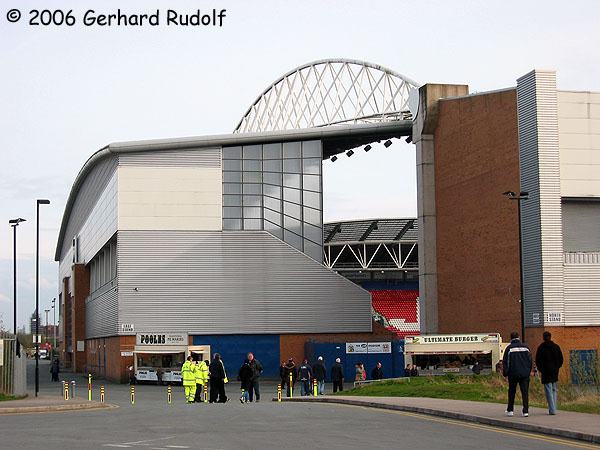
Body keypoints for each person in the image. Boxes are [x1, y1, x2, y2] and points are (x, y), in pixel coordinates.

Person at [502, 331, 533, 417]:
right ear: (519, 337)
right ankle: (525, 411)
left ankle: (510, 410)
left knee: (512, 391)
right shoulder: (526, 347)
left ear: (511, 338)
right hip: (524, 374)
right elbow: (530, 360)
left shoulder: (509, 348)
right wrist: (529, 371)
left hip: (513, 373)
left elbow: (505, 362)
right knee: (525, 392)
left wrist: (505, 374)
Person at [535, 331, 564, 415]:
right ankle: (554, 407)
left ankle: (552, 410)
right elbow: (561, 359)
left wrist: (541, 370)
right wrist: (557, 367)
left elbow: (538, 361)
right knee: (554, 390)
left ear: (543, 338)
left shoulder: (541, 348)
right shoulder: (556, 347)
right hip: (554, 371)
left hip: (546, 372)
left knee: (548, 391)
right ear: (550, 337)